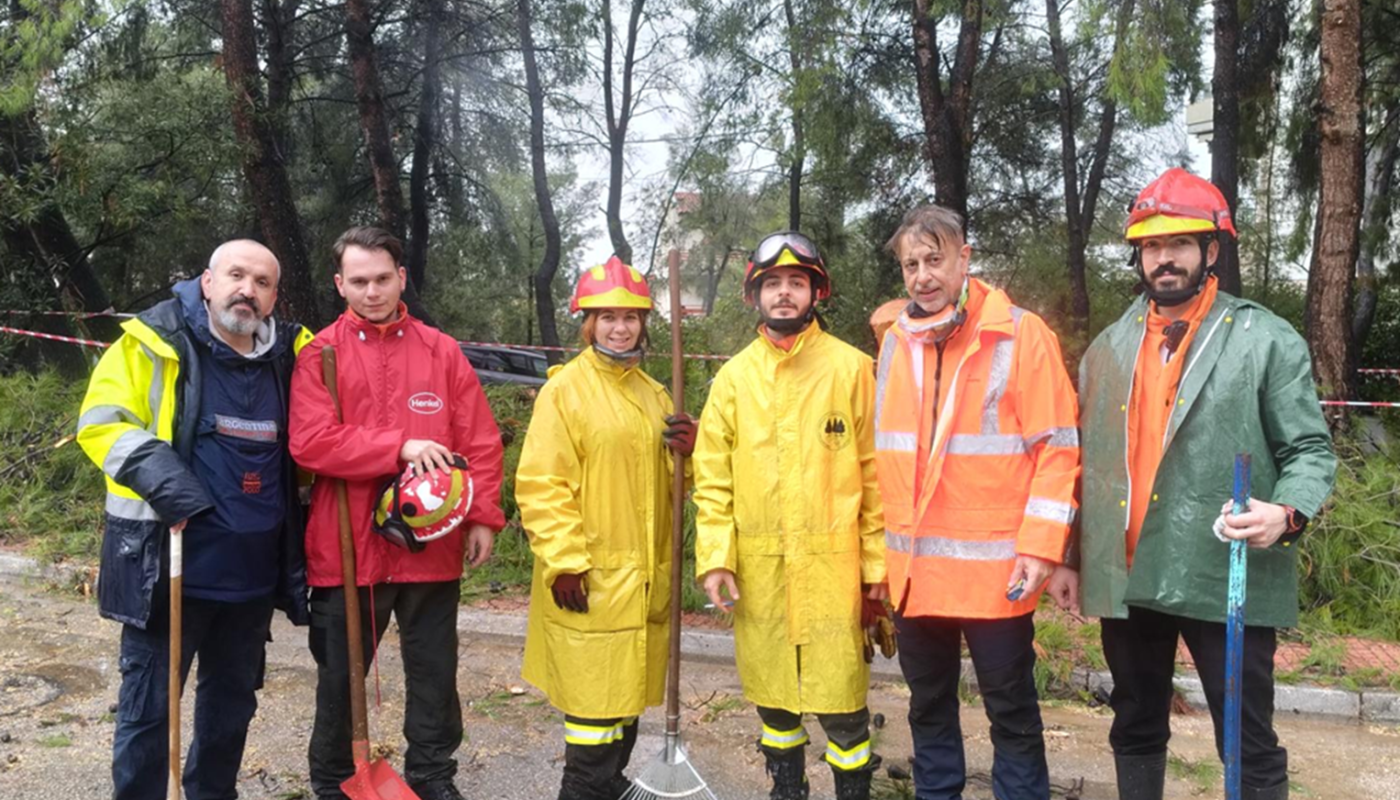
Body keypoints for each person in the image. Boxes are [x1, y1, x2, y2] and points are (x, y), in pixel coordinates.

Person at [1047, 168, 1337, 800]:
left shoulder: (1263, 338)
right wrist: (1069, 555)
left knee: (1246, 735)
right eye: (1152, 245)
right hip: (1129, 572)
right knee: (1135, 723)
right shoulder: (1105, 350)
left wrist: (1286, 511)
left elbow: (1310, 448)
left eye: (1180, 243)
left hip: (1221, 565)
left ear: (1211, 250)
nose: (1164, 258)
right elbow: (1084, 464)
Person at [77, 240, 313, 800]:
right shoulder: (151, 342)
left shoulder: (294, 357)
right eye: (236, 276)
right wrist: (168, 483)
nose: (247, 291)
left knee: (229, 717)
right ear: (207, 282)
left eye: (261, 283)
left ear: (275, 297)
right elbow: (104, 421)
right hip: (168, 572)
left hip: (252, 582)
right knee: (148, 716)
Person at [288, 226, 505, 800]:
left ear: (401, 277)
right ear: (339, 284)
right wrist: (398, 446)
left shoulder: (441, 350)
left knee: (434, 673)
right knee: (340, 678)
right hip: (348, 545)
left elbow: (479, 439)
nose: (373, 291)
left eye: (383, 278)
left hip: (431, 545)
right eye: (359, 281)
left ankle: (433, 776)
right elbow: (310, 443)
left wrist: (483, 513)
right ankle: (333, 781)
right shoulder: (320, 354)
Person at [872, 204, 1080, 800]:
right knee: (928, 709)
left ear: (965, 258)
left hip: (997, 576)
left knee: (1012, 714)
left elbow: (1058, 450)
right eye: (911, 264)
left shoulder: (1020, 334)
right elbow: (885, 457)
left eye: (934, 259)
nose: (922, 276)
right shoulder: (896, 345)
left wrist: (1042, 549)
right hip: (915, 573)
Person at [692, 231, 887, 800]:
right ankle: (786, 790)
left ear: (816, 292)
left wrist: (877, 570)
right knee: (775, 704)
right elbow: (713, 482)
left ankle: (854, 790)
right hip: (761, 571)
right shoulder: (732, 381)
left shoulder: (854, 371)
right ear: (754, 295)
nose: (784, 294)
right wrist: (716, 560)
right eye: (772, 284)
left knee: (844, 707)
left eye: (795, 283)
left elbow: (876, 477)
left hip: (835, 573)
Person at [515, 256, 697, 800]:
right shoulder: (565, 391)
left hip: (642, 585)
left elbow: (672, 489)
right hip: (590, 583)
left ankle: (612, 788)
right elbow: (543, 484)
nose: (620, 327)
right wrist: (564, 560)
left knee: (622, 711)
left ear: (644, 323)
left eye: (631, 317)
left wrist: (690, 451)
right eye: (607, 317)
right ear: (588, 324)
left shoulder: (656, 395)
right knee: (592, 727)